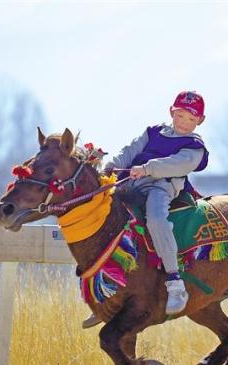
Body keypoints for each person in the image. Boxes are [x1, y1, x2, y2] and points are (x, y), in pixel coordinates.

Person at [82, 90, 208, 328]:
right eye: (180, 116)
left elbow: (178, 164)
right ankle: (104, 295)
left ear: (199, 120)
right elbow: (130, 150)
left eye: (191, 119)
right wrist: (111, 166)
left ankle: (174, 282)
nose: (184, 123)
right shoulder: (153, 131)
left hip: (162, 186)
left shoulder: (194, 146)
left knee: (157, 220)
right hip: (130, 180)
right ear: (172, 112)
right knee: (104, 219)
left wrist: (148, 168)